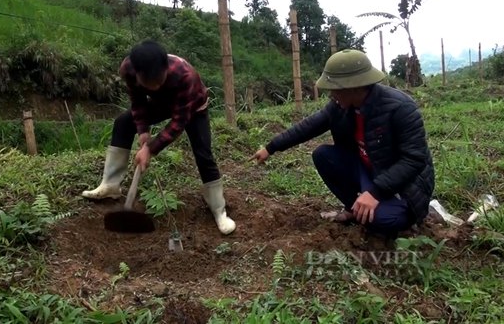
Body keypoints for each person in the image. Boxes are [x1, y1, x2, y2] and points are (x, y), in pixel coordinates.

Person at [249, 49, 435, 238]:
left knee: (379, 220)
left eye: (334, 88)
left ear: (352, 87)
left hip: (403, 185)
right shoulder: (341, 106)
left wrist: (375, 192)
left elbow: (414, 160)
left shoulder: (400, 108)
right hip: (368, 170)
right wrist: (270, 148)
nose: (331, 94)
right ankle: (354, 207)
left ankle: (397, 218)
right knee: (323, 155)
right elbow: (308, 126)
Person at [82, 40, 236, 235]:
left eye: (160, 81)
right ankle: (110, 185)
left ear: (166, 68)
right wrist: (143, 129)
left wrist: (150, 149)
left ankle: (218, 209)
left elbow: (178, 123)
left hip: (193, 106)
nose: (155, 86)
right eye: (149, 83)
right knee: (123, 122)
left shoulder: (184, 76)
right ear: (137, 74)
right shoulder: (129, 69)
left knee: (203, 153)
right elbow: (137, 101)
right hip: (162, 103)